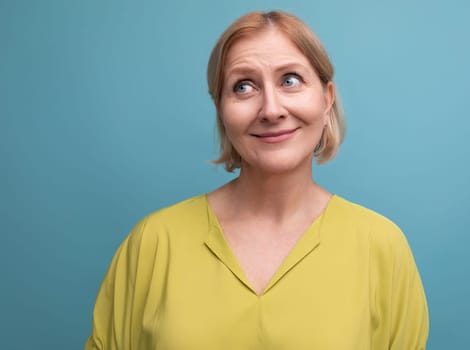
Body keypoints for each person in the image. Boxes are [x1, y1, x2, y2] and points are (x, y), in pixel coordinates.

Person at [85, 10, 429, 350]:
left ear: (326, 98)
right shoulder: (154, 244)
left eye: (290, 80)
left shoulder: (381, 247)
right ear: (221, 110)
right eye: (244, 86)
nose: (271, 109)